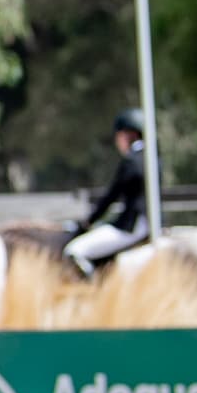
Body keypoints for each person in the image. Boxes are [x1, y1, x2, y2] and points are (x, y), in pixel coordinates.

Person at [65, 109, 152, 278]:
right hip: (150, 223)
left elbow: (112, 196)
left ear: (128, 135)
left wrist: (88, 221)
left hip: (132, 225)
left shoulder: (131, 161)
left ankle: (93, 289)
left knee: (74, 251)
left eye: (118, 136)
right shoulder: (152, 157)